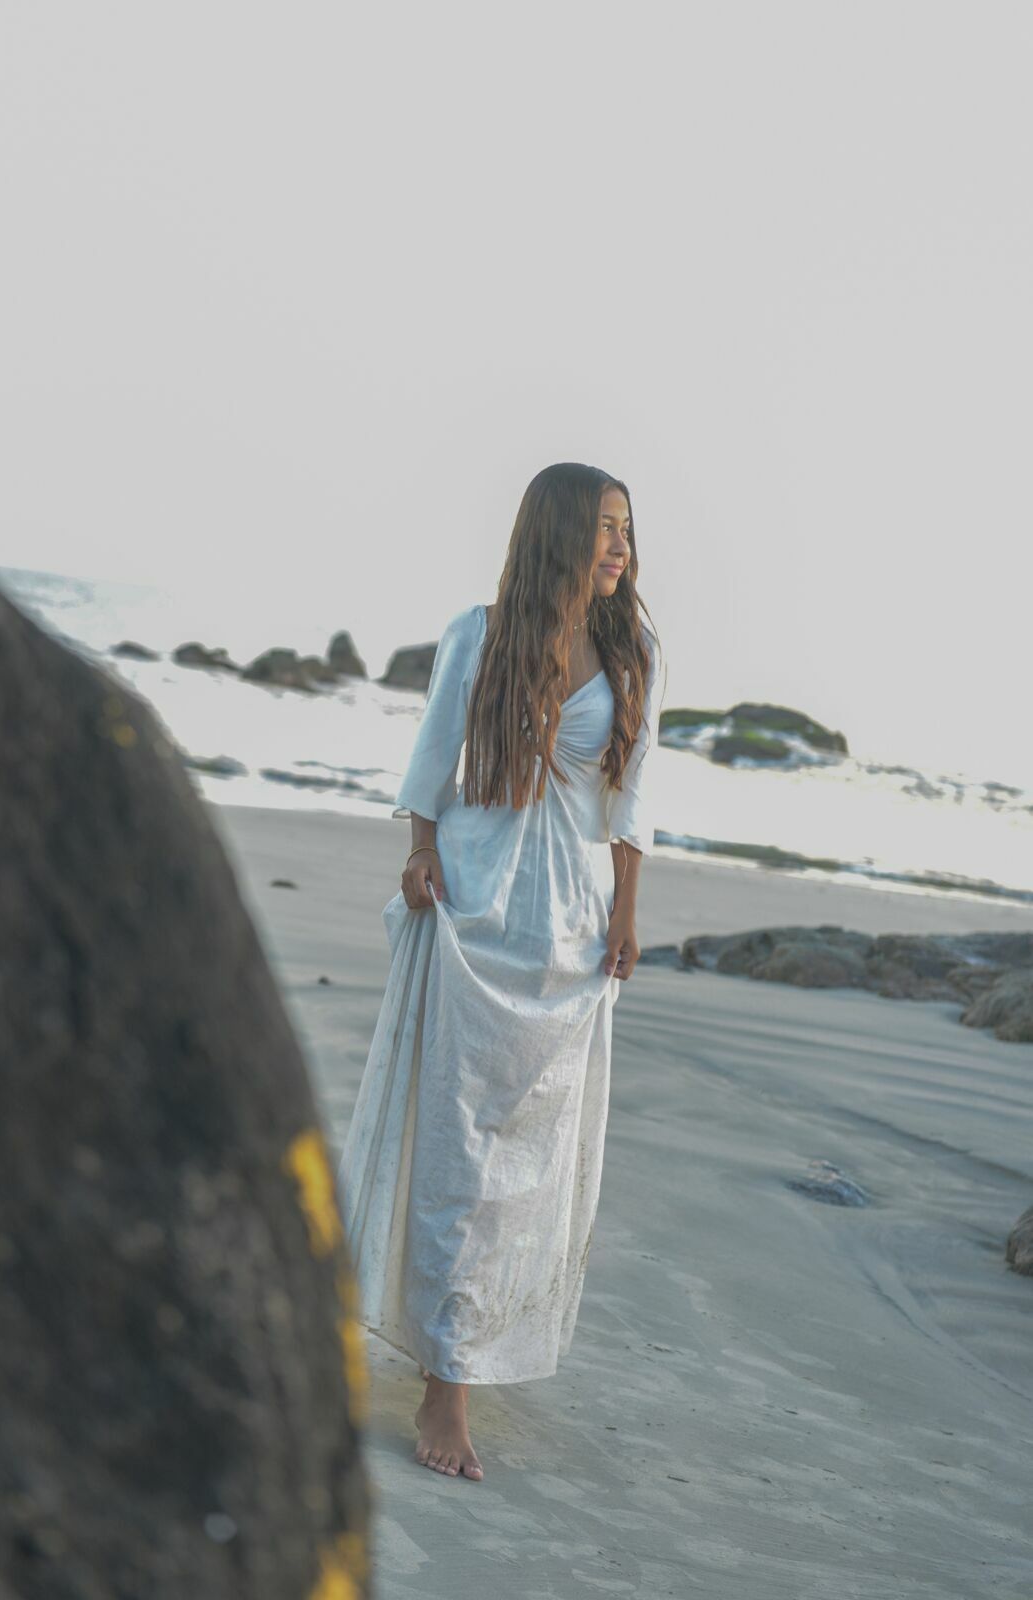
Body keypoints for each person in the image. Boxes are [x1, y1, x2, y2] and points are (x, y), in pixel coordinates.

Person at [335, 462, 668, 1483]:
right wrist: (421, 850)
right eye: (604, 528)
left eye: (627, 529)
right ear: (558, 534)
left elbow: (631, 794)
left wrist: (626, 910)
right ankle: (446, 1387)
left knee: (523, 1169)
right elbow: (434, 759)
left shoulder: (632, 650)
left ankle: (464, 1350)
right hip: (472, 910)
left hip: (567, 937)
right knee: (451, 1151)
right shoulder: (476, 635)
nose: (620, 545)